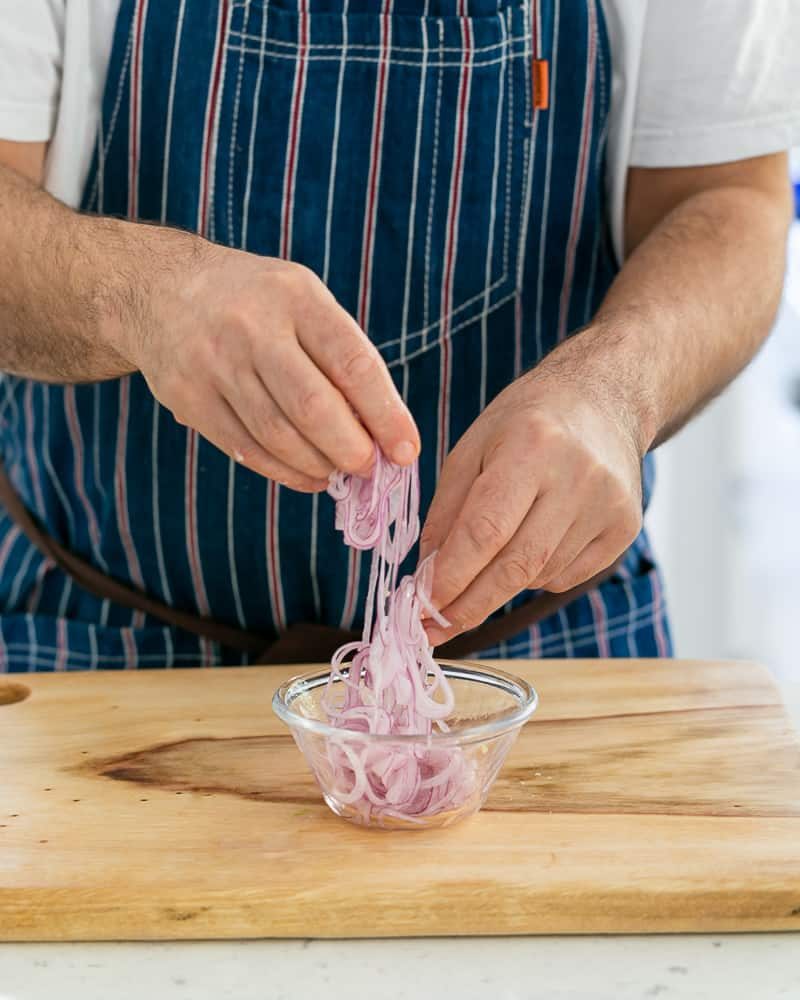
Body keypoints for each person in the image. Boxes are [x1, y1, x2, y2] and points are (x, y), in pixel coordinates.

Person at [0, 0, 797, 672]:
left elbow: (727, 195)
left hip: (541, 658)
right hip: (100, 642)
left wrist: (617, 391)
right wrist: (144, 296)